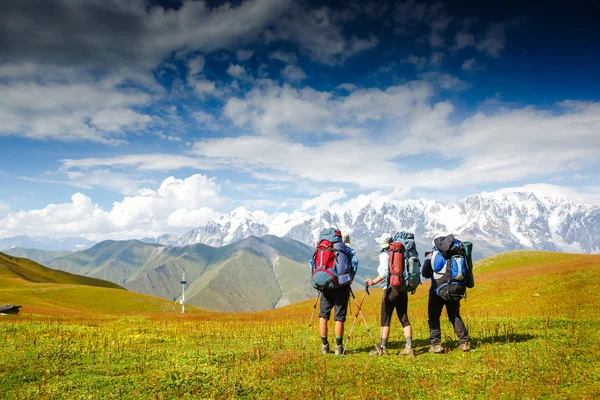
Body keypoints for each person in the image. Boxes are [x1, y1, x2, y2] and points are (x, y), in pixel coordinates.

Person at [365, 233, 414, 357]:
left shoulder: (384, 254)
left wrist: (373, 282)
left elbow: (385, 272)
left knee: (385, 319)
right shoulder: (401, 251)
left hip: (390, 289)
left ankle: (383, 348)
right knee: (404, 318)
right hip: (402, 288)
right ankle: (409, 347)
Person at [421, 242, 474, 353]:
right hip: (456, 289)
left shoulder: (434, 253)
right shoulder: (458, 250)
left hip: (438, 290)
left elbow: (425, 273)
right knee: (454, 315)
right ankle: (464, 342)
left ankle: (436, 345)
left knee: (434, 316)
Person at [316, 231, 358, 355]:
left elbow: (312, 264)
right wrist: (348, 279)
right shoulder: (347, 251)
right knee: (339, 318)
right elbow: (355, 264)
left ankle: (324, 346)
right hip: (341, 287)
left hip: (325, 285)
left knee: (323, 316)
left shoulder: (323, 249)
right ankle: (339, 348)